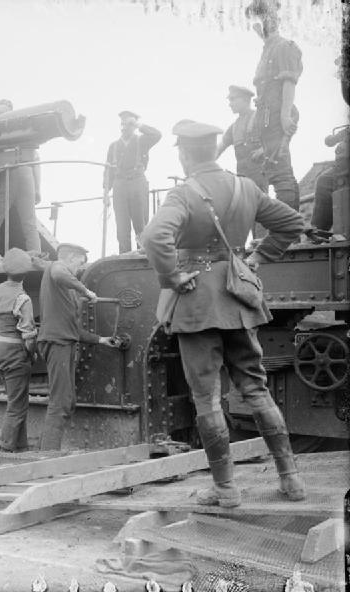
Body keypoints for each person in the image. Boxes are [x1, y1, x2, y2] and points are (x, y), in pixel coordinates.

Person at [141, 119, 306, 508]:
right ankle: (291, 481)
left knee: (207, 398)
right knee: (256, 389)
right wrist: (258, 257)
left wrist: (173, 276)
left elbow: (153, 236)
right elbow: (292, 223)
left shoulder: (184, 193)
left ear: (184, 154)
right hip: (238, 300)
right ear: (214, 150)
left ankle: (226, 490)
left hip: (197, 304)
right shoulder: (246, 187)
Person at [36, 243, 120, 450]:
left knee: (67, 400)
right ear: (71, 257)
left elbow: (74, 331)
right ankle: (47, 456)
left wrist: (101, 340)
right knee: (60, 402)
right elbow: (59, 272)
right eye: (79, 263)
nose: (78, 269)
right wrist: (86, 290)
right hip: (57, 343)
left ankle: (45, 449)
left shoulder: (65, 293)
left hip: (64, 342)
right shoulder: (55, 268)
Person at [246, 0, 303, 211]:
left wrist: (285, 115)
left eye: (260, 19)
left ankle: (289, 226)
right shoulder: (268, 49)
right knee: (276, 170)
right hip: (267, 120)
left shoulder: (283, 47)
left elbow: (289, 82)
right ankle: (292, 224)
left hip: (277, 116)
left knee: (281, 173)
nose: (256, 25)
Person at [0, 100, 41, 267]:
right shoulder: (23, 127)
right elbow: (36, 161)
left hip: (7, 173)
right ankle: (38, 258)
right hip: (26, 173)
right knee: (30, 223)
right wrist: (38, 189)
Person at [0, 248, 37, 452]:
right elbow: (28, 336)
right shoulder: (23, 298)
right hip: (14, 354)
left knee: (17, 400)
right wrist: (32, 353)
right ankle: (6, 449)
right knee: (16, 405)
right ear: (26, 273)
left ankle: (21, 447)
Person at [103, 111, 162, 253]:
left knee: (141, 226)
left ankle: (142, 257)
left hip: (137, 184)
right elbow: (108, 171)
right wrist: (106, 193)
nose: (124, 127)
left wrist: (139, 125)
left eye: (129, 124)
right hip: (119, 186)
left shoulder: (142, 141)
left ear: (134, 126)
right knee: (122, 228)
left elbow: (157, 135)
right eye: (122, 124)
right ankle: (125, 257)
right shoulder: (113, 146)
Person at [216, 85, 266, 192]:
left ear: (244, 99)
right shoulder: (234, 127)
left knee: (260, 201)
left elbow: (277, 138)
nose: (230, 104)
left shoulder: (260, 117)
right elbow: (218, 149)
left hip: (259, 177)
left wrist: (264, 150)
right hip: (242, 179)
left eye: (233, 99)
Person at [309, 125, 348, 238]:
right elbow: (329, 141)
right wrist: (334, 138)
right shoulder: (346, 131)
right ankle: (319, 231)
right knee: (324, 181)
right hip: (341, 167)